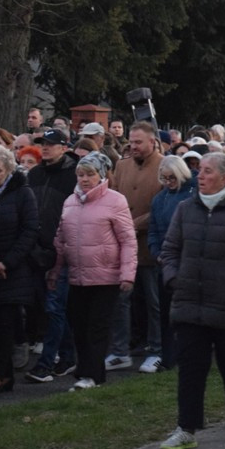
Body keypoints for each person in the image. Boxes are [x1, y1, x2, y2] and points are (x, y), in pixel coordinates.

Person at [159, 153, 225, 449]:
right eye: (199, 171)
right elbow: (169, 250)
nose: (200, 176)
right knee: (191, 368)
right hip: (189, 303)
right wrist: (174, 279)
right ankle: (186, 428)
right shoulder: (185, 209)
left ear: (224, 177)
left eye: (207, 171)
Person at [47, 152, 136, 391]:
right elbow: (61, 239)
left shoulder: (115, 200)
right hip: (77, 275)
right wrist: (54, 271)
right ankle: (85, 369)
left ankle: (93, 375)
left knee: (97, 327)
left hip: (106, 276)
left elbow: (128, 240)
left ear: (101, 175)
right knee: (79, 324)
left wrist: (127, 274)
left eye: (90, 174)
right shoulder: (70, 201)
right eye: (80, 174)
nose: (84, 179)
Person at [0, 145, 40, 396]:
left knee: (5, 321)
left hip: (14, 268)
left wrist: (8, 262)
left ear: (9, 169)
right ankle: (6, 376)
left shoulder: (23, 193)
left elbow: (30, 229)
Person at [23, 128, 79, 383]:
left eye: (51, 144)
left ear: (64, 147)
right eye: (43, 143)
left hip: (63, 248)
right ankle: (68, 356)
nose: (45, 147)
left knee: (55, 306)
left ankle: (46, 363)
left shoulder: (73, 175)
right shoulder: (34, 174)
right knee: (50, 306)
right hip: (36, 248)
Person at [108, 121, 164, 373]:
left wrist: (134, 224)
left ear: (152, 142)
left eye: (139, 142)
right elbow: (114, 199)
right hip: (124, 249)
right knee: (122, 301)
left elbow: (163, 208)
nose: (134, 146)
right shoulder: (121, 165)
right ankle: (121, 350)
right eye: (131, 141)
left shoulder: (165, 166)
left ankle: (156, 349)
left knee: (153, 301)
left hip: (150, 247)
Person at [148, 155, 196, 369]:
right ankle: (169, 358)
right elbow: (153, 230)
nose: (168, 183)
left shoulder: (193, 195)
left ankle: (187, 355)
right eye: (165, 178)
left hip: (188, 262)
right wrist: (156, 252)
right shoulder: (159, 199)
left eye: (172, 178)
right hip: (166, 263)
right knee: (167, 313)